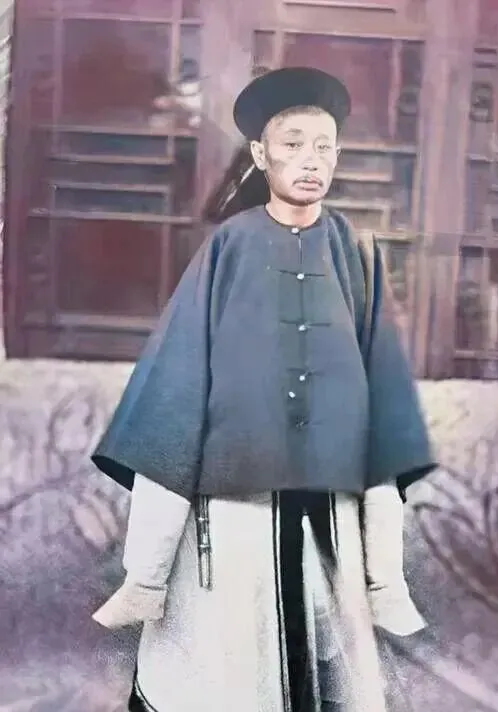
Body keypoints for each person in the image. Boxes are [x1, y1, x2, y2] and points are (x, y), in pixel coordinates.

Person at [90, 66, 437, 712]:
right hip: (236, 491)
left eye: (325, 146)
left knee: (334, 652)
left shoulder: (355, 250)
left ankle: (385, 583)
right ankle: (147, 579)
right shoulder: (228, 246)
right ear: (259, 155)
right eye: (293, 144)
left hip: (330, 487)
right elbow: (180, 368)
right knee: (229, 659)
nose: (311, 161)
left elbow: (383, 373)